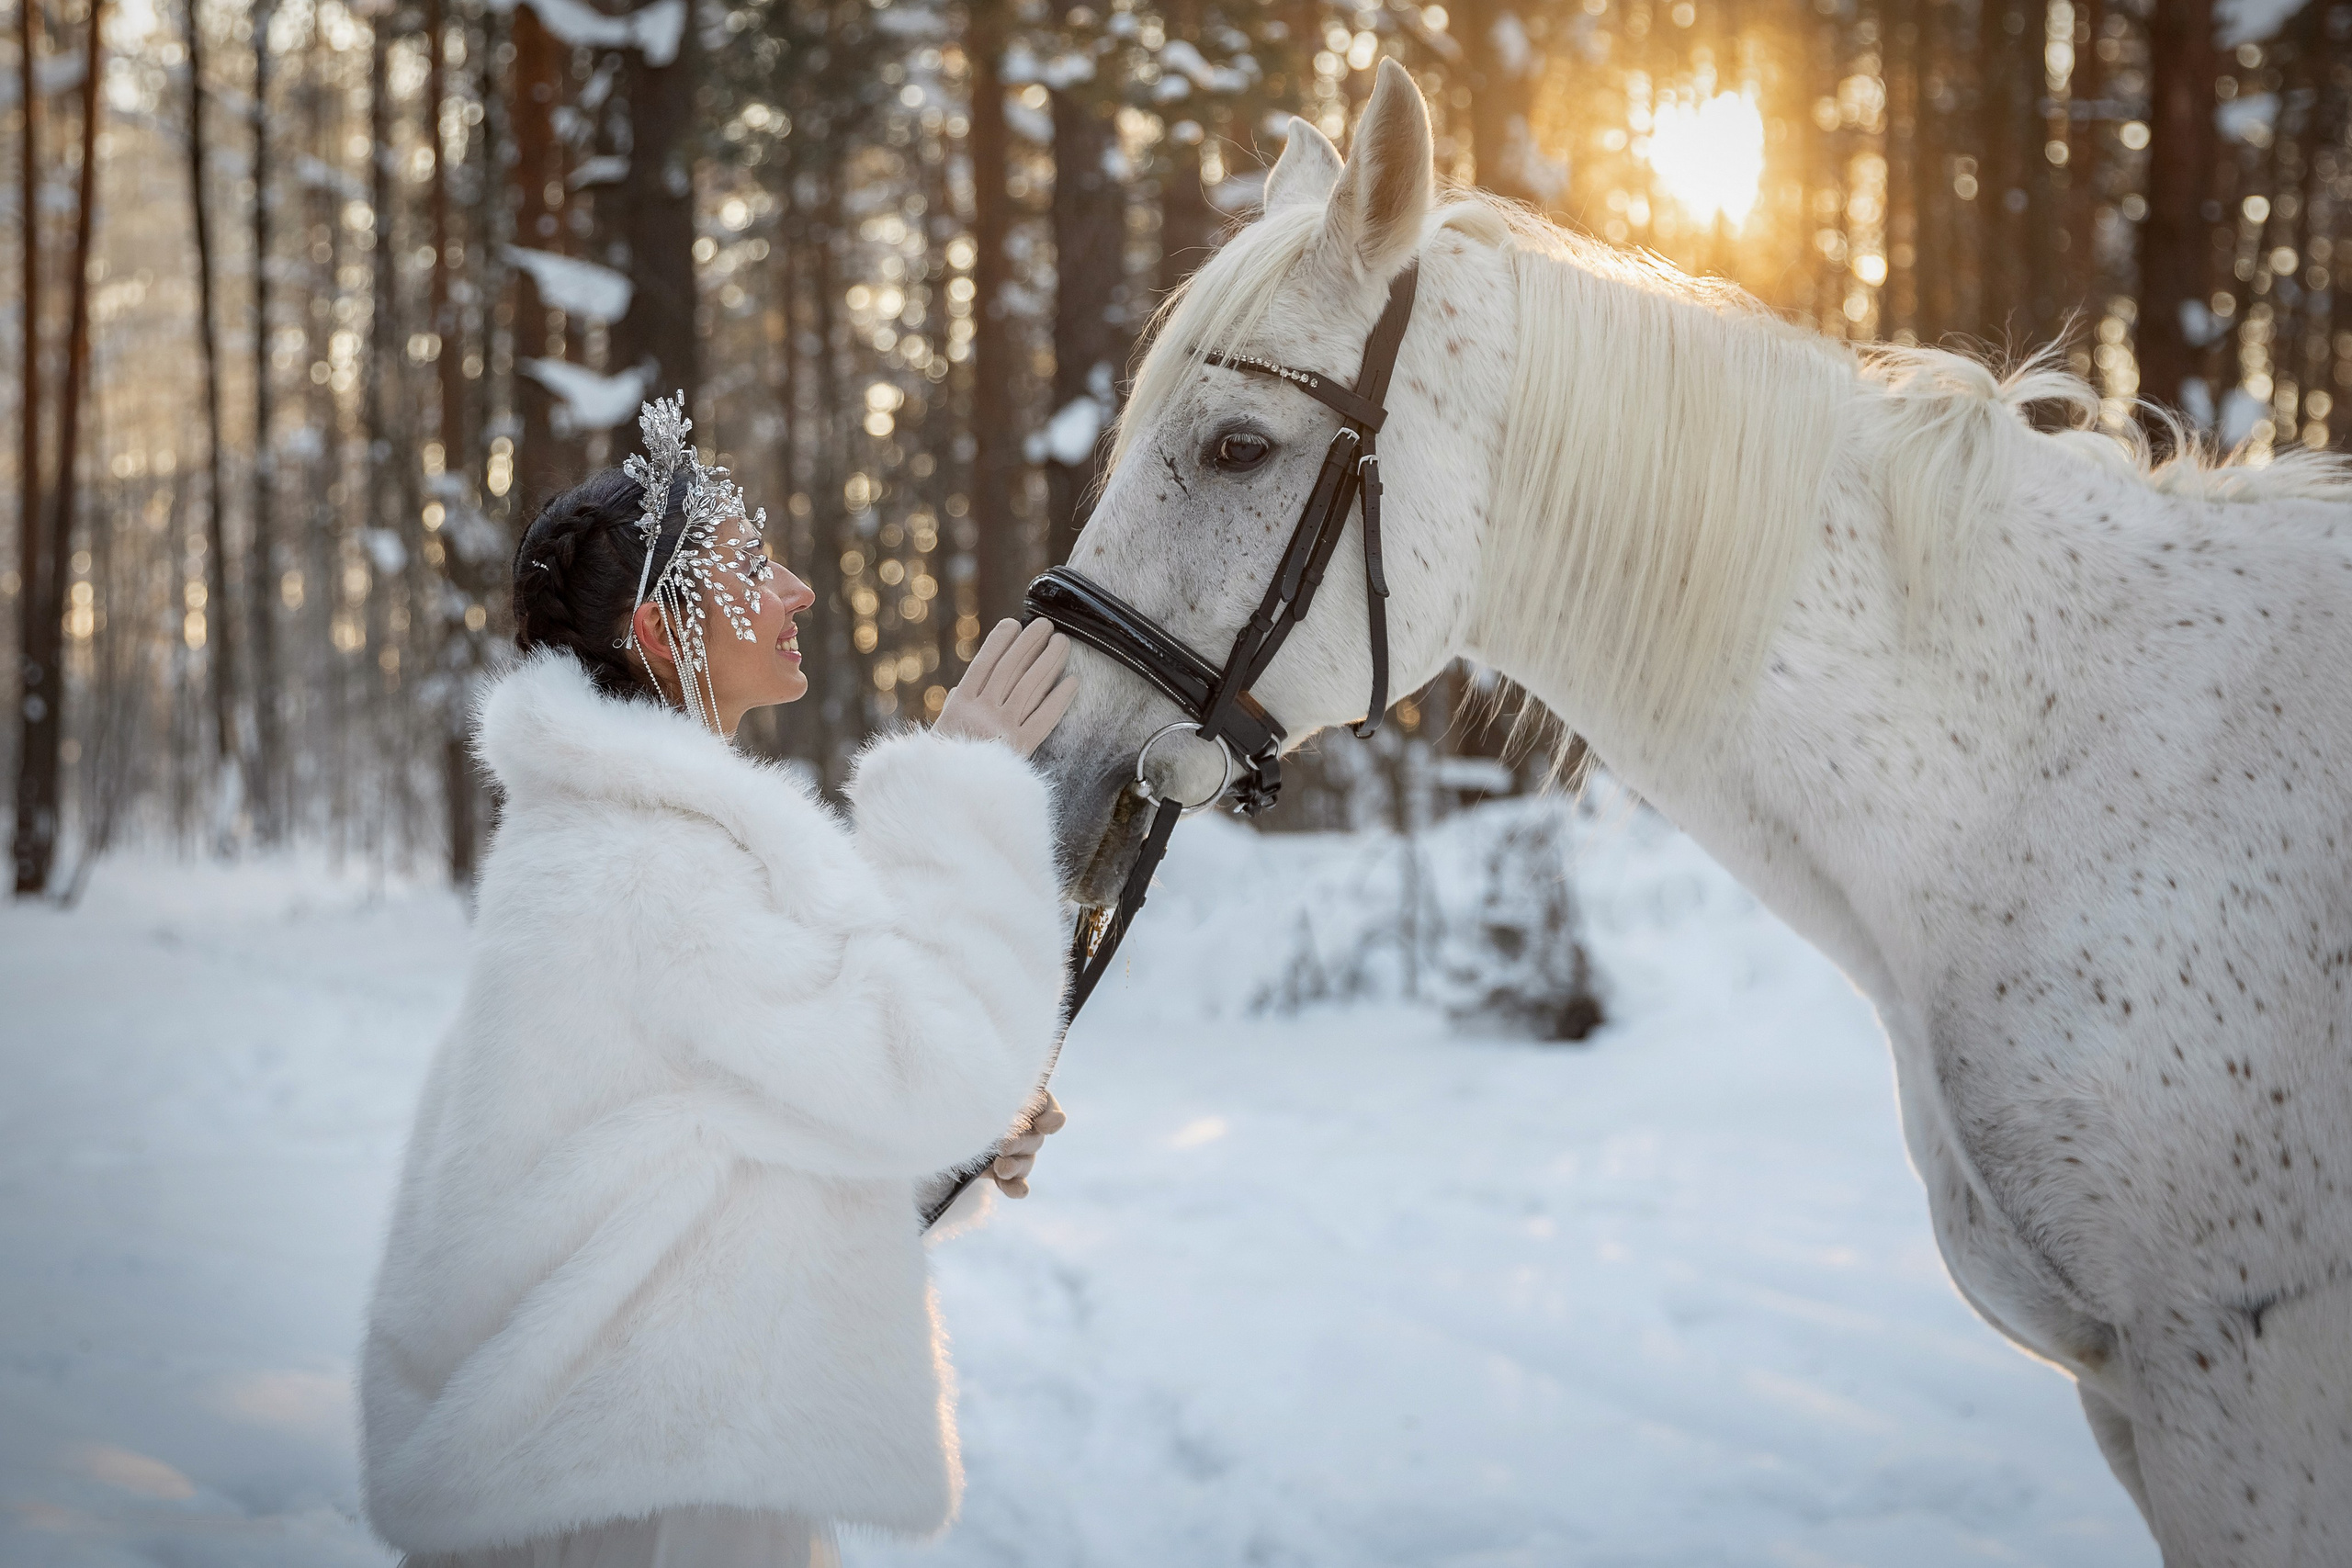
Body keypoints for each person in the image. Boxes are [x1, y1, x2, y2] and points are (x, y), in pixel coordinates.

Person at [361, 395, 1077, 1567]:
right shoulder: (648, 868)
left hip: (641, 1452)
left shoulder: (634, 844)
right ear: (657, 628)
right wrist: (964, 782)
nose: (795, 590)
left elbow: (725, 1163)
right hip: (642, 1494)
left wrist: (946, 1150)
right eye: (752, 565)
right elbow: (917, 1070)